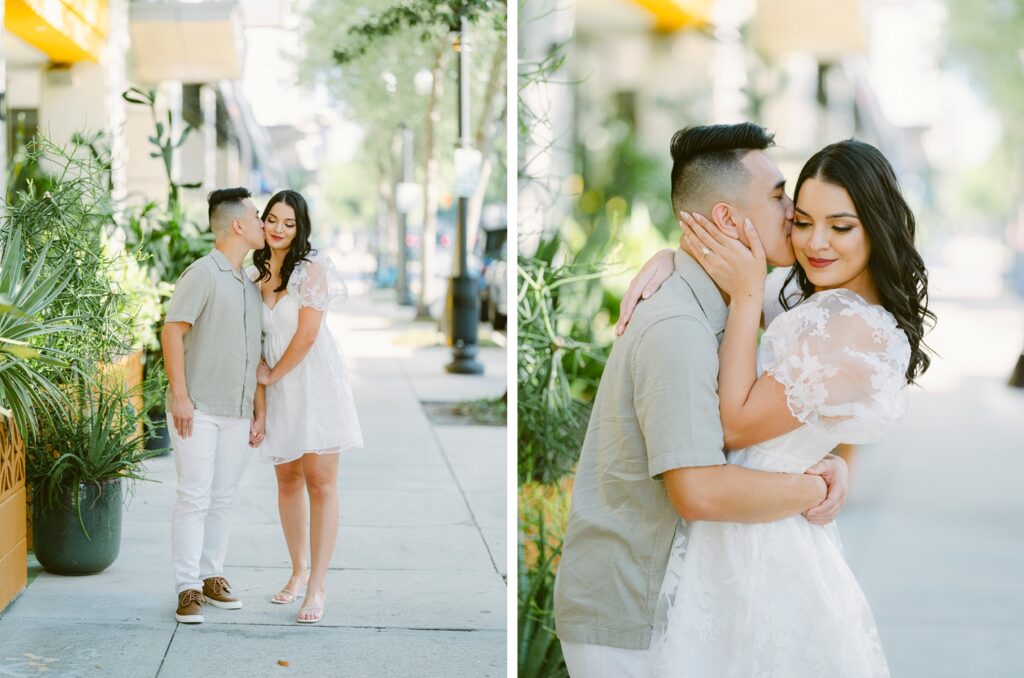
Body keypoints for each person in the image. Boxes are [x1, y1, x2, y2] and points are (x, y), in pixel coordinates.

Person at [623, 138, 933, 676]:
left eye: (841, 227)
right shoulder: (815, 299)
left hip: (762, 543)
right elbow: (727, 274)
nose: (816, 243)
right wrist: (671, 257)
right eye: (803, 221)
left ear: (876, 228)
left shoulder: (851, 326)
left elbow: (736, 423)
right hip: (741, 519)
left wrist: (745, 298)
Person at [552, 123, 851, 677]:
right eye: (779, 194)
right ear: (727, 220)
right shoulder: (679, 327)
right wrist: (814, 485)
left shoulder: (728, 302)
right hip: (631, 621)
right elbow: (699, 491)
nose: (793, 211)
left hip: (671, 603)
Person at [250, 189, 363, 624]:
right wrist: (262, 399)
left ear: (300, 228)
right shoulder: (255, 273)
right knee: (287, 480)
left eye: (288, 223)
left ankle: (318, 584)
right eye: (272, 219)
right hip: (278, 390)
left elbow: (308, 336)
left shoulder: (312, 269)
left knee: (320, 481)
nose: (278, 229)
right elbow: (257, 346)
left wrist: (272, 376)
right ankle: (297, 571)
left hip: (313, 382)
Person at [162, 187, 268, 624]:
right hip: (199, 409)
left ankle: (212, 576)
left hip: (237, 411)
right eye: (258, 216)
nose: (264, 223)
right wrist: (181, 397)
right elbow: (172, 331)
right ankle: (187, 587)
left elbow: (255, 353)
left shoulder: (248, 283)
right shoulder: (203, 273)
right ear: (238, 224)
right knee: (194, 497)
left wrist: (259, 409)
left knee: (223, 498)